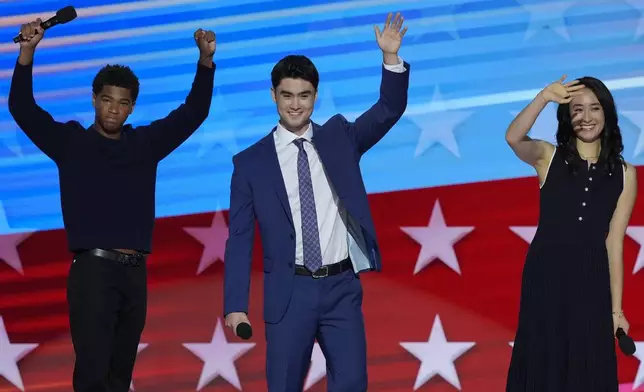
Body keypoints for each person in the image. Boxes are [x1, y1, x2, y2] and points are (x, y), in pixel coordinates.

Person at [8, 18, 216, 392]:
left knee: (120, 377)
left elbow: (193, 112)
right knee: (92, 375)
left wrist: (205, 61)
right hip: (93, 274)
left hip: (135, 275)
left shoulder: (144, 145)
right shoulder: (70, 143)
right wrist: (27, 52)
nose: (114, 110)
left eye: (122, 103)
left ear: (132, 108)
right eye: (106, 100)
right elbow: (22, 108)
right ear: (94, 100)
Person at [223, 12, 409, 391]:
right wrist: (234, 305)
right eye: (287, 95)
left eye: (304, 95)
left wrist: (391, 60)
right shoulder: (250, 163)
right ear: (273, 94)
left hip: (341, 287)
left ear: (315, 96)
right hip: (289, 292)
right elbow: (239, 239)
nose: (295, 105)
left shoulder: (339, 137)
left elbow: (388, 110)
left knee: (352, 383)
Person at [504, 75, 636, 391]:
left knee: (587, 370)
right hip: (545, 275)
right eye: (577, 110)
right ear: (567, 116)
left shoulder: (624, 173)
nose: (586, 118)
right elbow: (513, 138)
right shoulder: (549, 157)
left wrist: (616, 311)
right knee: (542, 366)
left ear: (607, 113)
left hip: (591, 280)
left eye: (594, 109)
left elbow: (614, 244)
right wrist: (543, 97)